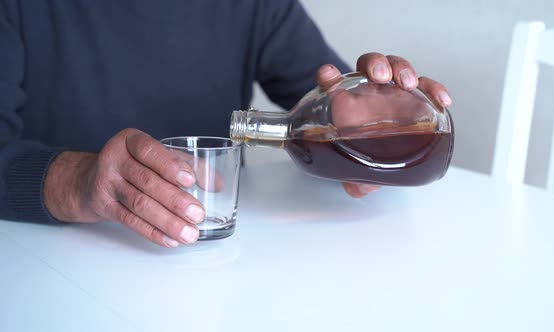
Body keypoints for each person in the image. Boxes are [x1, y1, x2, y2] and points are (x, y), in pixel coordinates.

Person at [0, 0, 452, 247]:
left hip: (219, 269)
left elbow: (334, 105)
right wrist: (79, 181)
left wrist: (377, 112)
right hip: (46, 256)